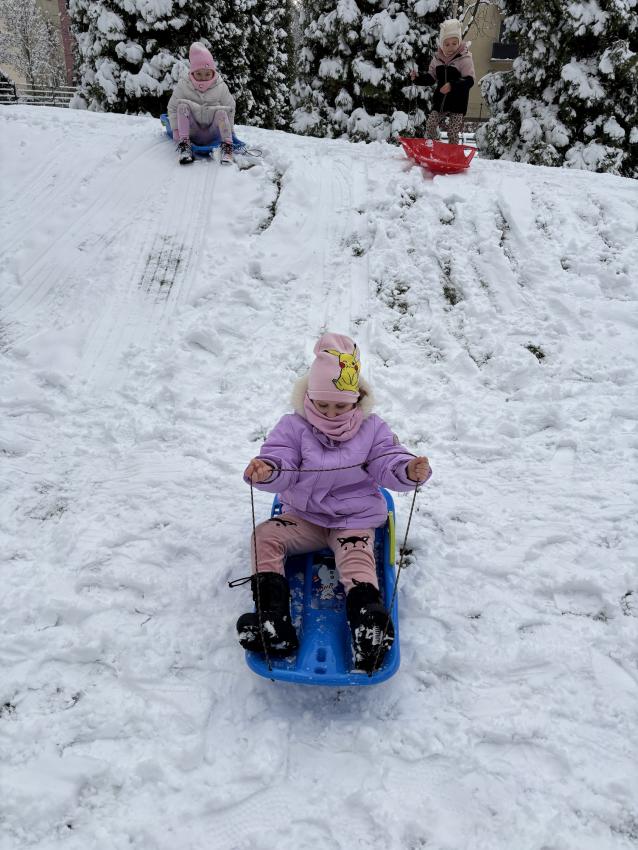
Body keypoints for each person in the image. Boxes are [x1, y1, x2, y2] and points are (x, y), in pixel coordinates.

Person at [236, 332, 432, 672]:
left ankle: (369, 626)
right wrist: (267, 470)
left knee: (357, 560)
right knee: (265, 536)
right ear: (308, 396)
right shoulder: (293, 427)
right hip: (305, 517)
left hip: (352, 519)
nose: (330, 413)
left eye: (340, 406)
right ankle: (272, 621)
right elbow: (281, 461)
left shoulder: (372, 429)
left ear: (356, 400)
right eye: (322, 405)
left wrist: (407, 470)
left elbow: (388, 460)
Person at [167, 42, 236, 165]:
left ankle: (227, 147)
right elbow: (172, 107)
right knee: (182, 106)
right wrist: (176, 130)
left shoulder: (220, 86)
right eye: (199, 74)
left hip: (213, 131)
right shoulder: (184, 85)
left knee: (222, 112)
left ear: (213, 72)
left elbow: (230, 108)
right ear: (192, 72)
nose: (203, 78)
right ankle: (185, 146)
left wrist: (230, 131)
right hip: (192, 131)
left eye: (207, 74)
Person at [410, 19, 475, 146]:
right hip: (441, 101)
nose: (451, 47)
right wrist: (417, 78)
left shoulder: (464, 58)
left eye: (454, 43)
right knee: (430, 124)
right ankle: (434, 146)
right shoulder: (437, 59)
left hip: (458, 103)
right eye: (447, 44)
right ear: (441, 44)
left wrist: (452, 85)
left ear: (459, 42)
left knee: (452, 132)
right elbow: (431, 77)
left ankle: (452, 152)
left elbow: (469, 81)